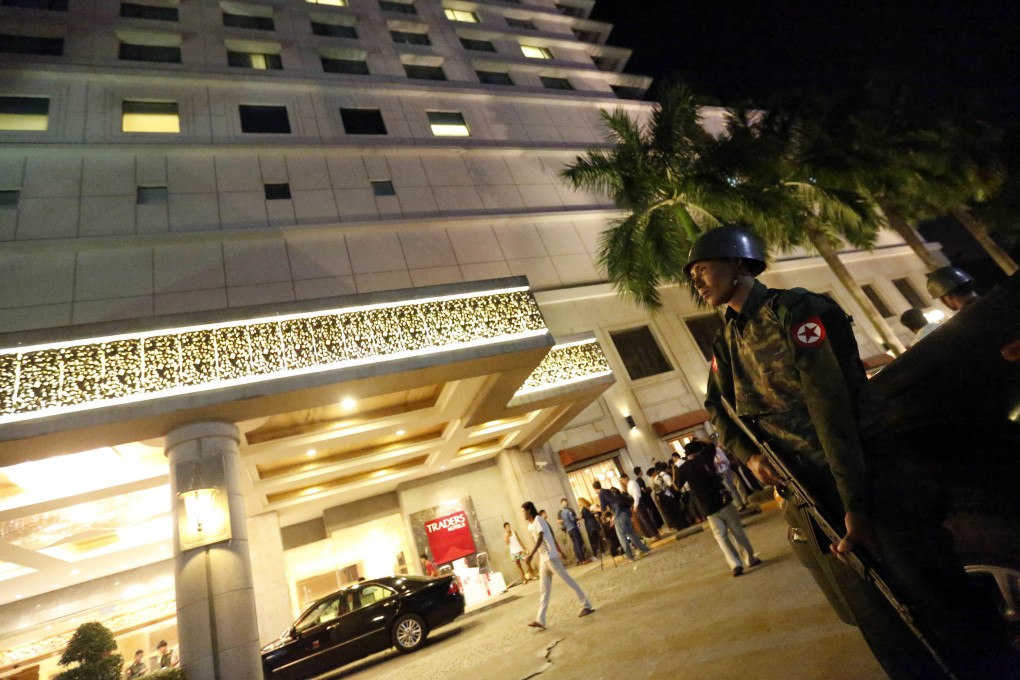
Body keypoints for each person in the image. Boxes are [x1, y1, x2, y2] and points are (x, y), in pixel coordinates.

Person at [688, 224, 1015, 679]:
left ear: (739, 264)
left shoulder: (797, 310)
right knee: (883, 622)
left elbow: (831, 408)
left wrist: (855, 502)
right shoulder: (727, 339)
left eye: (704, 269)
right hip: (810, 494)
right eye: (693, 275)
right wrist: (752, 455)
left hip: (867, 478)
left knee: (938, 605)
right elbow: (717, 408)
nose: (697, 281)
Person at [679, 439, 762, 576]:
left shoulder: (683, 468)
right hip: (722, 500)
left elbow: (677, 486)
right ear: (698, 451)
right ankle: (749, 559)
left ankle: (735, 565)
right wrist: (700, 441)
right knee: (737, 531)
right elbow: (711, 444)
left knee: (721, 536)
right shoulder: (705, 457)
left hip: (707, 507)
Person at [521, 501, 593, 630]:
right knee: (544, 590)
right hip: (544, 560)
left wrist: (531, 555)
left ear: (529, 511)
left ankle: (586, 605)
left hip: (551, 557)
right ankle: (540, 619)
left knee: (568, 581)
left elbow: (541, 537)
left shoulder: (538, 520)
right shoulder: (530, 526)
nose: (522, 514)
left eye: (523, 511)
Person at [593, 480, 650, 562]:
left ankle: (630, 557)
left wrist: (597, 509)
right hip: (625, 513)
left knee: (622, 537)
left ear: (595, 489)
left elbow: (603, 508)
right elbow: (616, 504)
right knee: (631, 534)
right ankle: (645, 550)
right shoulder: (608, 491)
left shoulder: (601, 493)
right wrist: (613, 517)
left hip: (619, 515)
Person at [713, 444, 749, 509]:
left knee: (738, 484)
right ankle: (739, 504)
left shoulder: (717, 450)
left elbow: (724, 459)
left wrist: (724, 463)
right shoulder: (709, 455)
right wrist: (717, 463)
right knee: (731, 488)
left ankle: (744, 500)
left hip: (727, 468)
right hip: (721, 472)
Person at [631, 468, 664, 537]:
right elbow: (643, 490)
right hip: (647, 500)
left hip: (647, 500)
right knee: (653, 514)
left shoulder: (638, 480)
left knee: (653, 514)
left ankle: (659, 530)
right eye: (641, 470)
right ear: (640, 472)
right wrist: (649, 489)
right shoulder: (639, 480)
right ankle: (659, 531)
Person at [558, 498, 589, 565]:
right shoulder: (569, 511)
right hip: (574, 529)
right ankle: (583, 560)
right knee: (578, 544)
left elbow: (562, 522)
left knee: (575, 545)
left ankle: (580, 560)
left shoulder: (562, 513)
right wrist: (578, 518)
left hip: (569, 530)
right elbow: (573, 519)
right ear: (566, 503)